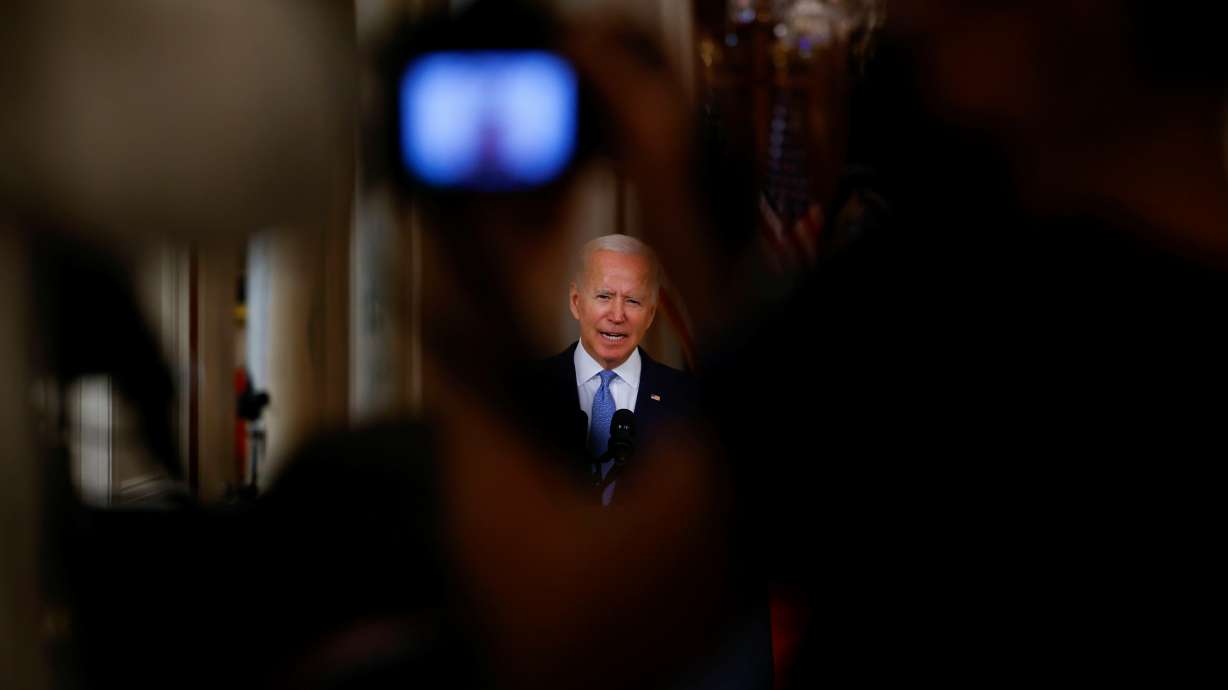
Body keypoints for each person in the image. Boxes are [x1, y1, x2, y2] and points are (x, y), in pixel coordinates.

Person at [539, 234, 698, 506]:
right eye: (604, 296)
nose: (617, 315)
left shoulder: (687, 401)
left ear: (650, 314)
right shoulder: (530, 390)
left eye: (633, 301)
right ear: (576, 302)